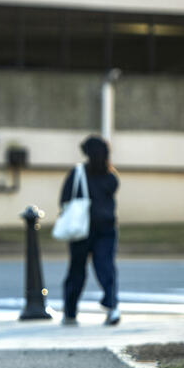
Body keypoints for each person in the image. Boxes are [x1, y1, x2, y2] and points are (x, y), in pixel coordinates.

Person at [59, 135, 120, 326]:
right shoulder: (111, 177)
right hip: (107, 227)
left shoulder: (77, 173)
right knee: (106, 268)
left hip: (81, 229)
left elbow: (64, 200)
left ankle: (70, 311)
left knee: (77, 270)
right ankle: (112, 306)